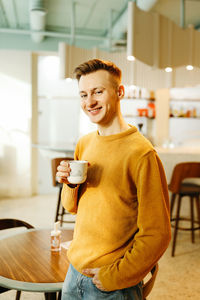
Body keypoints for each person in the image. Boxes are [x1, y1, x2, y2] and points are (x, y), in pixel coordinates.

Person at [56, 59, 171, 300]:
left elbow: (158, 234)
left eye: (98, 92)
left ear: (119, 92)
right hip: (73, 273)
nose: (90, 102)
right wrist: (70, 183)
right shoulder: (84, 143)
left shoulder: (142, 153)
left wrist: (115, 277)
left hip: (111, 283)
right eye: (83, 95)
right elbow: (71, 207)